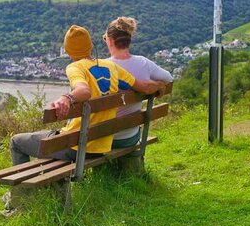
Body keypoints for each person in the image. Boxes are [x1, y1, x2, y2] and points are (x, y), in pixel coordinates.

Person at [9, 25, 165, 166]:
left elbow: (84, 91)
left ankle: (19, 195)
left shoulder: (75, 67)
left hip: (77, 147)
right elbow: (144, 87)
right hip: (101, 144)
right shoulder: (111, 65)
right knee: (50, 140)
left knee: (16, 142)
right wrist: (159, 86)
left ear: (68, 50)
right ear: (91, 46)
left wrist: (67, 98)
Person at [104, 17, 173, 148]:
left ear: (110, 40)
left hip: (104, 139)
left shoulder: (102, 67)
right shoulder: (143, 63)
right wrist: (156, 85)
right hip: (130, 137)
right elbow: (168, 78)